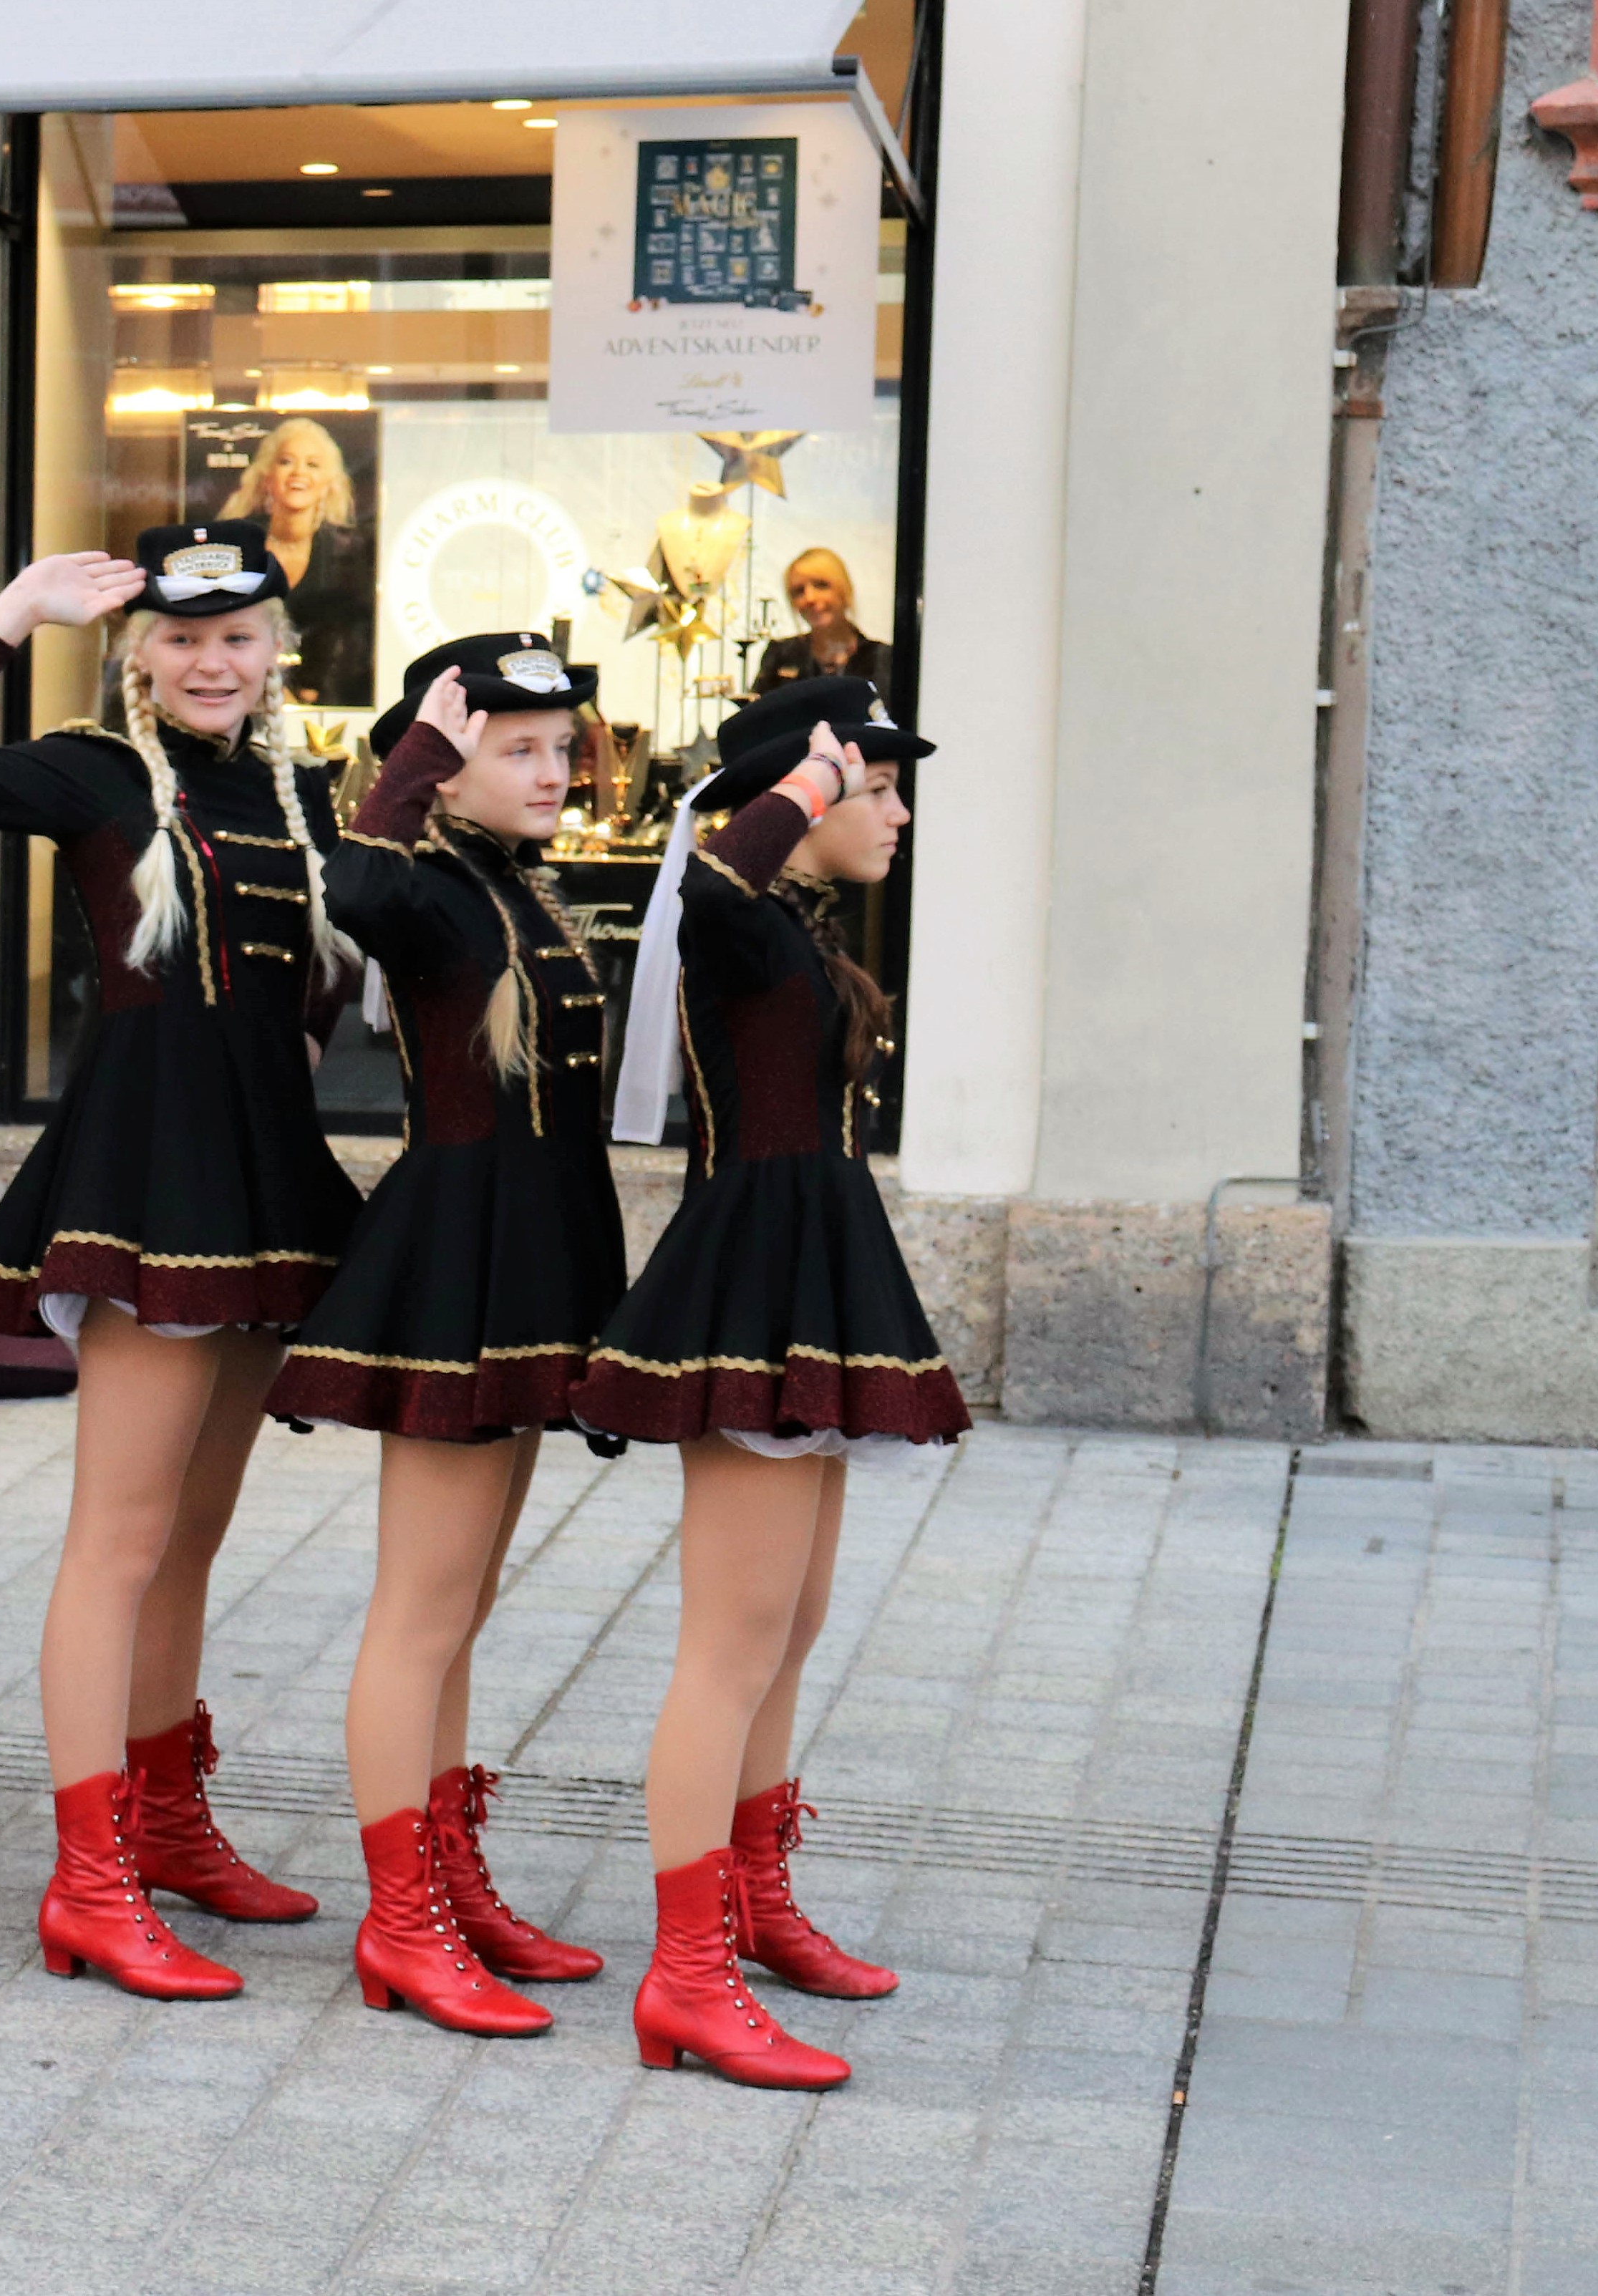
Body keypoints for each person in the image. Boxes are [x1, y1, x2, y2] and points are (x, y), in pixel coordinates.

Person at [0, 518, 354, 2002]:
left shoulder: (300, 788)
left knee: (193, 1533)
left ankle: (161, 1820)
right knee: (121, 1532)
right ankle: (87, 1877)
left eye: (238, 635)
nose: (212, 660)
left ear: (277, 649)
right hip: (148, 1176)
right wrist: (7, 611)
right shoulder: (90, 768)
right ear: (140, 651)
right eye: (184, 636)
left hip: (266, 1173)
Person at [576, 673, 963, 2088]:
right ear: (794, 804)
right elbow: (706, 888)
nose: (898, 810)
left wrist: (818, 790)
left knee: (787, 1629)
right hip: (749, 1290)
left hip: (812, 1276)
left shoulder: (797, 931)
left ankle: (750, 1902)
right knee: (727, 1645)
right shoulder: (742, 924)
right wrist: (798, 783)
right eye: (877, 783)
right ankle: (683, 1976)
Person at [263, 632, 632, 2035]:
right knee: (419, 1609)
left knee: (461, 1605)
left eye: (559, 745)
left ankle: (447, 1872)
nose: (552, 770)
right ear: (446, 759)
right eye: (516, 746)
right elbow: (348, 885)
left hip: (532, 1259)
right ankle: (397, 1916)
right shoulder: (419, 883)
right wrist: (410, 755)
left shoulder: (508, 886)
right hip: (451, 1269)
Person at [218, 417, 371, 705]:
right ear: (267, 478)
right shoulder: (233, 544)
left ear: (329, 483)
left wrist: (309, 695)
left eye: (313, 465)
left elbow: (352, 639)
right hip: (238, 698)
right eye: (286, 461)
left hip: (327, 706)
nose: (299, 473)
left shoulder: (349, 551)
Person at [750, 548, 890, 698]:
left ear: (844, 591)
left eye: (821, 585)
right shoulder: (781, 655)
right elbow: (756, 715)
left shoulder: (883, 659)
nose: (809, 598)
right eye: (799, 591)